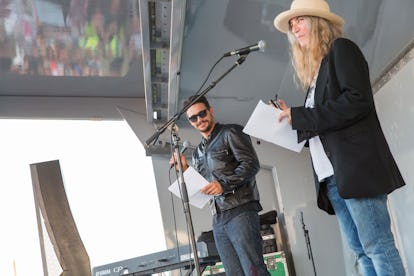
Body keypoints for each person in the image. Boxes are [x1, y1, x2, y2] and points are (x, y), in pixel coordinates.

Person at [273, 0, 406, 275]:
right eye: (291, 24)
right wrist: (290, 119)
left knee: (377, 246)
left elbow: (358, 102)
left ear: (318, 21)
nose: (294, 27)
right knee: (361, 251)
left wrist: (300, 115)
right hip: (331, 178)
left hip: (354, 169)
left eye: (300, 20)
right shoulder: (314, 76)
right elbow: (322, 120)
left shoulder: (341, 51)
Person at [170, 95, 270, 276]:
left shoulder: (231, 132)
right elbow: (202, 184)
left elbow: (251, 164)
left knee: (253, 270)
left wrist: (224, 185)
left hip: (241, 210)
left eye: (202, 114)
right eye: (194, 118)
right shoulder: (198, 152)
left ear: (211, 111)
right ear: (190, 122)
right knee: (233, 273)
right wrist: (184, 169)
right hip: (218, 218)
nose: (199, 120)